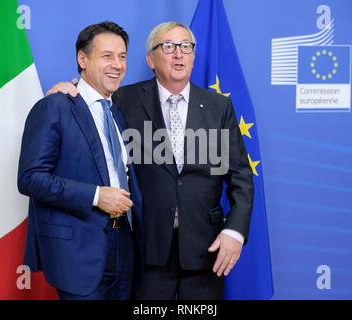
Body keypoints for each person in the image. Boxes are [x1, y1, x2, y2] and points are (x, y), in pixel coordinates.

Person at [47, 21, 253, 300]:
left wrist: (235, 232)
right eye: (168, 47)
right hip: (145, 249)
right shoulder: (121, 99)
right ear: (150, 59)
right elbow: (88, 106)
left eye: (186, 46)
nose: (179, 54)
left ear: (193, 55)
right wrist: (67, 91)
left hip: (207, 250)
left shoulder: (219, 107)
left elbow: (241, 176)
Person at [17, 21, 142, 300]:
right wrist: (97, 196)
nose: (118, 64)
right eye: (107, 55)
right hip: (79, 252)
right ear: (82, 59)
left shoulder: (116, 114)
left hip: (123, 244)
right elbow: (30, 178)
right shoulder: (55, 106)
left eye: (122, 56)